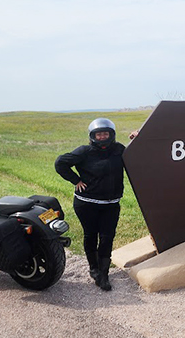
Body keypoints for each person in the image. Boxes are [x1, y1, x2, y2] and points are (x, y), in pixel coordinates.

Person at [55, 118, 128, 291]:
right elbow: (60, 163)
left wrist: (137, 138)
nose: (102, 137)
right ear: (92, 136)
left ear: (112, 134)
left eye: (106, 133)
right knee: (90, 235)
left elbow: (138, 155)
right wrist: (76, 180)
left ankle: (104, 274)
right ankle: (93, 269)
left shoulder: (119, 150)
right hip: (86, 203)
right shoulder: (84, 152)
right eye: (98, 134)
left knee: (107, 237)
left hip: (111, 203)